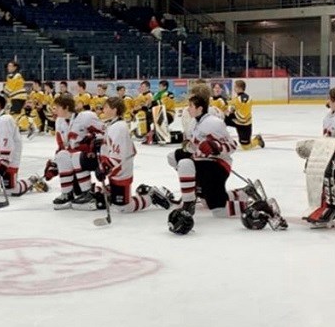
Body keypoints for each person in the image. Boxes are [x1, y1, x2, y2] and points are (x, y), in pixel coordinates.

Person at [166, 94, 286, 234]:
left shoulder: (212, 123)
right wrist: (190, 147)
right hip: (202, 163)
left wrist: (215, 146)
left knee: (218, 209)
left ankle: (255, 206)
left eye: (191, 106)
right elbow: (194, 146)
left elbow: (232, 145)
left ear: (200, 108)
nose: (188, 108)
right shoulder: (194, 123)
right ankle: (242, 192)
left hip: (217, 165)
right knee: (174, 157)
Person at [96, 97, 173, 213]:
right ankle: (110, 191)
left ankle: (150, 197)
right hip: (115, 169)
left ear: (115, 110)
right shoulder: (113, 124)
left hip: (121, 171)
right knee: (111, 197)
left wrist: (104, 167)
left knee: (124, 207)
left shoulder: (119, 128)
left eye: (106, 107)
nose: (103, 109)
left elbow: (118, 156)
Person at [45, 94, 105, 210]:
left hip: (91, 157)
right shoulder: (59, 121)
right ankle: (67, 193)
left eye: (57, 107)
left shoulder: (86, 117)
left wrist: (93, 140)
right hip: (75, 159)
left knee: (76, 155)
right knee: (62, 155)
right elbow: (62, 147)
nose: (54, 110)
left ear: (66, 107)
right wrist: (55, 165)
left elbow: (105, 133)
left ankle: (88, 193)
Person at [298, 86, 335, 225]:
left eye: (331, 99)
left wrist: (334, 149)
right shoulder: (330, 116)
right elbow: (326, 137)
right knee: (331, 184)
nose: (328, 101)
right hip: (334, 158)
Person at [225, 80, 264, 150]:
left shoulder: (245, 98)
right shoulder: (236, 98)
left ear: (239, 88)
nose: (234, 88)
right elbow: (234, 108)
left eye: (235, 87)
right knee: (221, 121)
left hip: (244, 124)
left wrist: (231, 115)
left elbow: (243, 116)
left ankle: (258, 140)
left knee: (246, 147)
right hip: (237, 121)